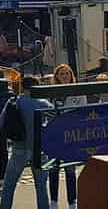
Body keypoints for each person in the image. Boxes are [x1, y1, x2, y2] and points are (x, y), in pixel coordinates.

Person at [0, 76, 53, 209]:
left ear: (22, 87)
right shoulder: (44, 104)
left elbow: (0, 123)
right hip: (39, 148)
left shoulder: (14, 102)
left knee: (9, 183)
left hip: (20, 147)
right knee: (41, 186)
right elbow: (55, 122)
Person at [47, 65, 84, 209]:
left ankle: (72, 202)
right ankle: (54, 201)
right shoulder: (51, 92)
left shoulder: (78, 92)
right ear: (56, 76)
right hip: (55, 135)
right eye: (61, 74)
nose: (64, 76)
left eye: (67, 73)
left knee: (70, 170)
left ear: (71, 75)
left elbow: (82, 112)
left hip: (71, 135)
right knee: (53, 168)